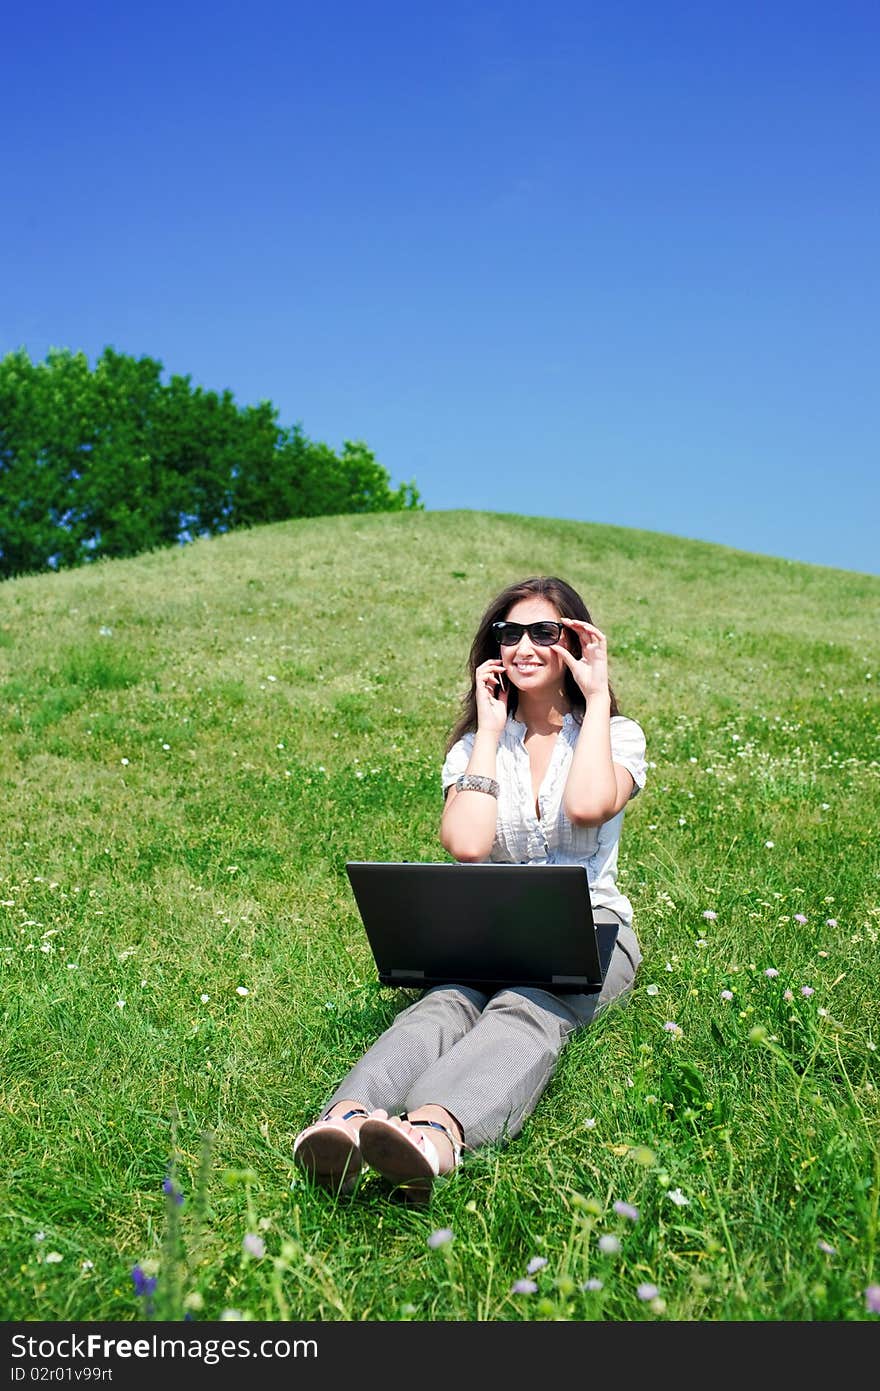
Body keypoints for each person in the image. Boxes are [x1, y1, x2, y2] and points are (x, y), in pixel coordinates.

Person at [293, 575, 647, 1200]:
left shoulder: (616, 735)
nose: (525, 647)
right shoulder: (473, 747)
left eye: (545, 632)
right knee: (443, 1002)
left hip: (593, 930)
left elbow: (590, 804)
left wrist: (593, 700)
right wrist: (487, 731)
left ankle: (433, 1133)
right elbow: (468, 845)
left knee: (527, 1007)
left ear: (574, 642)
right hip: (488, 932)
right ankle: (344, 1124)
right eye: (510, 634)